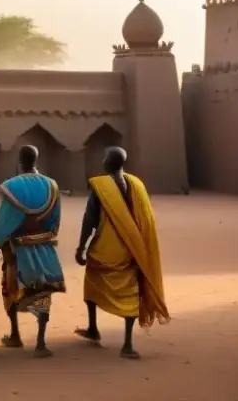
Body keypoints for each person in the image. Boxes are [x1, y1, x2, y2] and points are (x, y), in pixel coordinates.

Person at [74, 146, 169, 358]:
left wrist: (81, 246)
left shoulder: (101, 186)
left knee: (91, 286)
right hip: (132, 248)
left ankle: (93, 328)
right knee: (130, 293)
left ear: (109, 161)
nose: (103, 160)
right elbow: (146, 218)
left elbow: (89, 220)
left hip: (105, 249)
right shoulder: (136, 184)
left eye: (104, 157)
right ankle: (127, 344)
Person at [0, 144, 66, 357]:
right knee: (44, 292)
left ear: (19, 162)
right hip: (44, 246)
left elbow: (5, 218)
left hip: (17, 249)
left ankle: (15, 335)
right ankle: (40, 343)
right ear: (37, 160)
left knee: (11, 290)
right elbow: (55, 219)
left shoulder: (12, 186)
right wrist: (49, 233)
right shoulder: (52, 186)